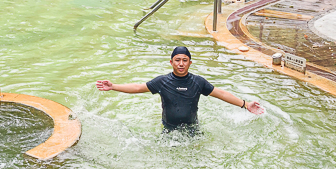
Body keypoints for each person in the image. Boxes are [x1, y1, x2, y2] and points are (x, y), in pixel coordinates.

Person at [96, 46, 264, 134]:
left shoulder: (198, 82)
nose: (181, 63)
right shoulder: (162, 81)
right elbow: (138, 87)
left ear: (190, 62)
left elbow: (221, 93)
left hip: (192, 129)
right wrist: (114, 86)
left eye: (185, 60)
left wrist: (245, 104)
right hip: (168, 129)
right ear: (171, 62)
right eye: (177, 60)